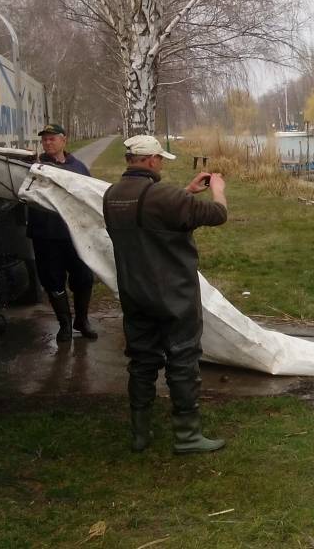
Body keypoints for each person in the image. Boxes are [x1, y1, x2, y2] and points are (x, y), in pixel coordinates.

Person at [102, 135, 228, 454]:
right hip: (174, 295)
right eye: (159, 159)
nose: (160, 164)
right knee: (183, 360)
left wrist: (185, 193)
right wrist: (218, 191)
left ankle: (139, 433)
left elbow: (148, 219)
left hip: (134, 292)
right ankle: (187, 436)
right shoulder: (165, 197)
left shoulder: (111, 196)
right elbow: (217, 215)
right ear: (149, 160)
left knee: (142, 361)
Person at [27, 123, 98, 343]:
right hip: (46, 235)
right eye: (45, 139)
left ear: (63, 140)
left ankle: (82, 320)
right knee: (52, 279)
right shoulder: (35, 168)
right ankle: (65, 324)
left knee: (84, 278)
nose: (48, 143)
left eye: (52, 138)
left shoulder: (78, 167)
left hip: (75, 235)